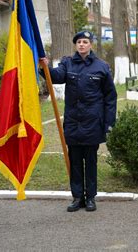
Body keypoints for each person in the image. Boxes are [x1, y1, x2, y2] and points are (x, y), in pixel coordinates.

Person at [40, 30, 117, 212]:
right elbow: (57, 77)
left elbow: (110, 97)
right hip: (74, 122)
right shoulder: (68, 63)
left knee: (90, 162)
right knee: (74, 161)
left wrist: (109, 123)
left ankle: (90, 198)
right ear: (76, 45)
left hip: (92, 123)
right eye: (79, 42)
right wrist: (45, 68)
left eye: (85, 41)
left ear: (91, 44)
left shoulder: (101, 67)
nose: (82, 44)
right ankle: (77, 197)